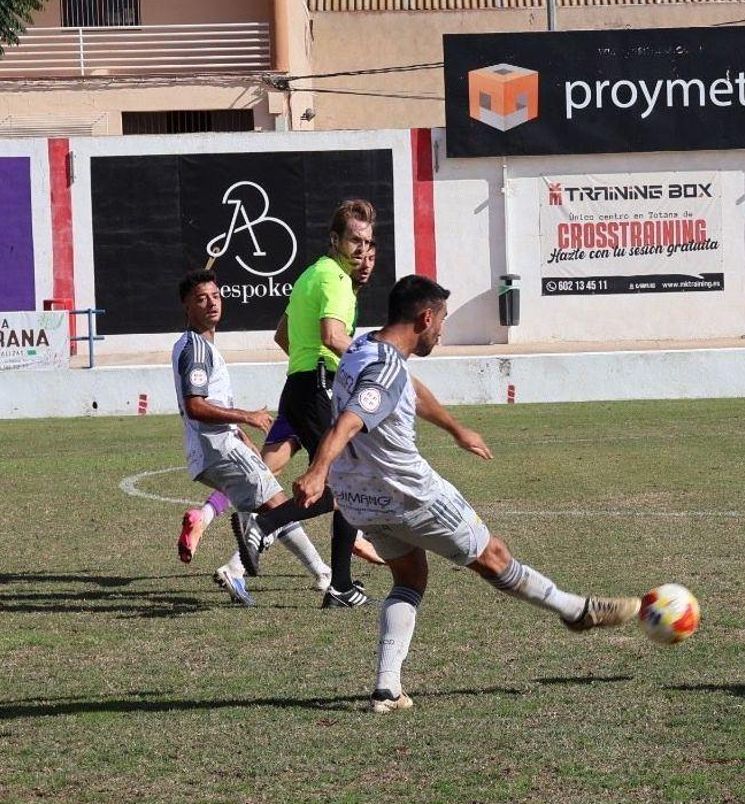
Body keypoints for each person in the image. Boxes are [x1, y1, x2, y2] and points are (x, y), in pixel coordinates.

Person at [292, 275, 643, 713]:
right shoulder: (385, 369)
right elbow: (349, 419)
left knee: (410, 577)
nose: (441, 330)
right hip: (411, 495)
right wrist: (316, 470)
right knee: (494, 557)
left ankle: (386, 689)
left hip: (364, 501)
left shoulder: (365, 349)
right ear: (424, 317)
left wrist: (455, 428)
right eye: (440, 320)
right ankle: (575, 609)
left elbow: (410, 390)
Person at [234, 198, 376, 607]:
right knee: (348, 486)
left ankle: (341, 588)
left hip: (300, 386)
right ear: (336, 239)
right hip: (319, 387)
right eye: (354, 240)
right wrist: (374, 359)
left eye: (366, 241)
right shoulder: (334, 279)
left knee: (348, 486)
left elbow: (283, 335)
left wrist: (307, 365)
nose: (362, 249)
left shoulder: (310, 275)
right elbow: (333, 336)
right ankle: (267, 524)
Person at [169, 269, 298, 607]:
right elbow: (196, 406)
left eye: (215, 295)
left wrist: (241, 432)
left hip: (220, 445)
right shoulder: (196, 349)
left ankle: (324, 574)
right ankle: (237, 568)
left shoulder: (201, 345)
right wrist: (247, 417)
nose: (212, 303)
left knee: (271, 506)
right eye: (201, 298)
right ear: (186, 306)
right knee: (279, 507)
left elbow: (211, 402)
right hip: (218, 450)